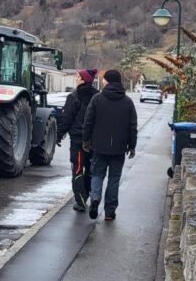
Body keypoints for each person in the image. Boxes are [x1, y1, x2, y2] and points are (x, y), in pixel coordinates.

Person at [82, 69, 137, 221]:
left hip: (99, 146)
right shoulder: (127, 102)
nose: (103, 81)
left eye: (104, 79)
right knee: (114, 179)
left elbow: (88, 121)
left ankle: (95, 198)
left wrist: (86, 140)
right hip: (119, 148)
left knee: (97, 174)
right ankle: (109, 212)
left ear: (107, 81)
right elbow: (132, 126)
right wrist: (132, 146)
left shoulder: (97, 99)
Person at [56, 68, 99, 212]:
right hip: (94, 140)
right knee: (91, 169)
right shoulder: (98, 96)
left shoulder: (74, 96)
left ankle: (80, 201)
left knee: (78, 169)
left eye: (77, 76)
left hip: (78, 139)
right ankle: (88, 194)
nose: (76, 79)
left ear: (83, 79)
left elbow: (67, 119)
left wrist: (59, 134)